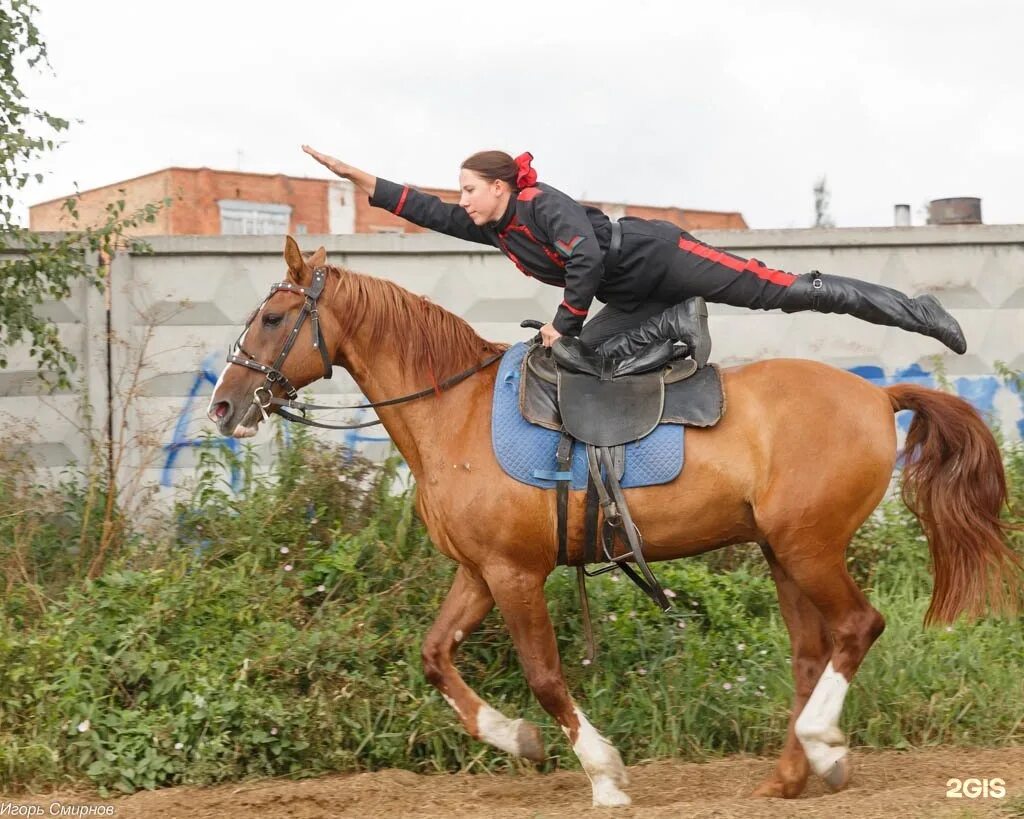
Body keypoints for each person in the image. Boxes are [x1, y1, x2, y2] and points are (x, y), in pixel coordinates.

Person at [301, 146, 966, 363]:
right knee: (581, 359)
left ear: (500, 186)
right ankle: (676, 328)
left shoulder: (542, 204)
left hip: (660, 258)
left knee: (787, 288)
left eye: (469, 189)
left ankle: (913, 309)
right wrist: (359, 179)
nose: (462, 199)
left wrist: (562, 320)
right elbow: (425, 209)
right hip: (631, 298)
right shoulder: (496, 225)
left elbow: (585, 260)